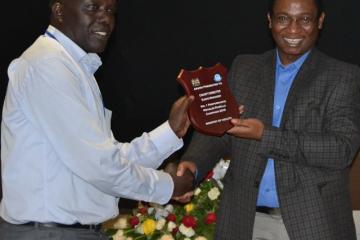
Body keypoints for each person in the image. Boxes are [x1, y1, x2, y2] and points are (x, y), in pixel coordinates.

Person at [0, 0, 195, 239]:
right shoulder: (48, 64)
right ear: (59, 11)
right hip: (49, 233)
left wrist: (171, 132)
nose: (105, 18)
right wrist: (168, 186)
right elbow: (100, 165)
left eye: (110, 11)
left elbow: (109, 158)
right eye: (92, 7)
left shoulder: (75, 67)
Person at [177, 0, 360, 239]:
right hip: (243, 221)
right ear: (270, 21)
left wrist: (265, 135)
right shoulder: (244, 67)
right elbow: (221, 128)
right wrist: (193, 164)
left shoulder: (343, 77)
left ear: (320, 21)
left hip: (313, 224)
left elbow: (341, 150)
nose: (293, 29)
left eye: (304, 19)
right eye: (284, 18)